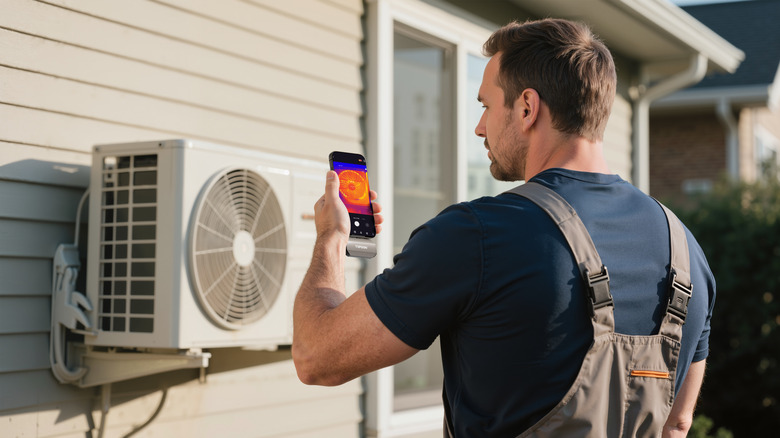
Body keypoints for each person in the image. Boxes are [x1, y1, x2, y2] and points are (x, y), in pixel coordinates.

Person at [292, 18, 715, 437]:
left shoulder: (476, 235)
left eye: (486, 106)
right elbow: (676, 424)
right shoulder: (687, 251)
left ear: (527, 108)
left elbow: (316, 356)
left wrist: (331, 238)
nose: (479, 127)